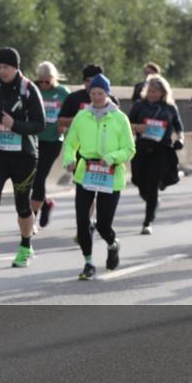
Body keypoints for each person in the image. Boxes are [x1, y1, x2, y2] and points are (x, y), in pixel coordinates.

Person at [0, 48, 45, 268]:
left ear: (16, 67)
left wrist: (15, 125)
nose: (2, 71)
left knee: (22, 204)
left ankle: (25, 246)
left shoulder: (28, 89)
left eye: (6, 67)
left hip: (24, 156)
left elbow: (40, 124)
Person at [62, 74, 135, 280]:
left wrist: (111, 158)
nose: (96, 97)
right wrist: (69, 159)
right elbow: (70, 143)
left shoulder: (120, 118)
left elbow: (129, 149)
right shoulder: (82, 116)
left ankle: (113, 244)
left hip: (110, 174)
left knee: (103, 224)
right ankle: (88, 262)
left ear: (107, 93)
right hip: (86, 172)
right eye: (93, 93)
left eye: (100, 93)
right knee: (82, 221)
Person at [128, 74, 184, 234]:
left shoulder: (170, 108)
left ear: (163, 92)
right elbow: (126, 124)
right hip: (141, 148)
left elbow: (179, 127)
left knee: (153, 185)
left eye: (156, 91)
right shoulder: (139, 105)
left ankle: (147, 222)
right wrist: (137, 127)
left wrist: (180, 139)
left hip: (161, 150)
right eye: (150, 91)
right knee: (139, 181)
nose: (153, 94)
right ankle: (152, 201)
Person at [31, 61, 70, 231]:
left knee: (40, 176)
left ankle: (32, 218)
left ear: (54, 79)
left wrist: (65, 126)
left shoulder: (63, 93)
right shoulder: (34, 89)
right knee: (32, 176)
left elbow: (72, 114)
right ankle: (45, 204)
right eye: (41, 81)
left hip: (54, 140)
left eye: (48, 81)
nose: (45, 85)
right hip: (35, 139)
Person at [57, 63, 119, 133]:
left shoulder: (112, 101)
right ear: (84, 81)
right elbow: (60, 121)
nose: (90, 84)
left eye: (93, 80)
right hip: (80, 140)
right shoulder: (73, 98)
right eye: (87, 81)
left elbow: (119, 123)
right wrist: (80, 119)